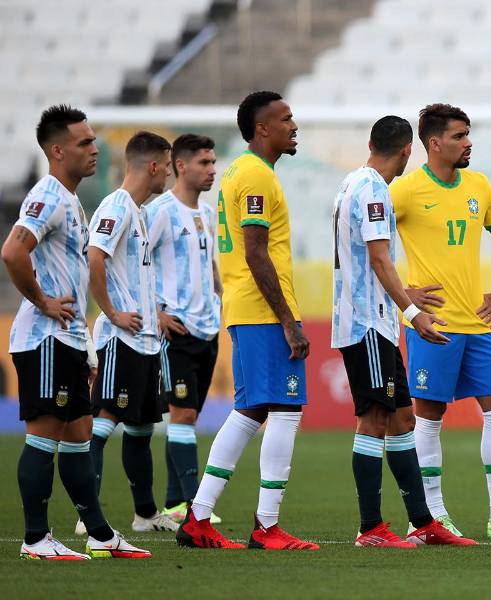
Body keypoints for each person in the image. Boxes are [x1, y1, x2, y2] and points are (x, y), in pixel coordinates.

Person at [390, 103, 491, 540]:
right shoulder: (406, 190)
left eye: (468, 134)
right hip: (432, 326)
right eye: (459, 136)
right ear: (434, 143)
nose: (468, 142)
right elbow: (368, 244)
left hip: (477, 324)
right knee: (430, 417)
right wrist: (405, 300)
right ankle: (431, 516)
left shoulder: (478, 185)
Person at [5, 105, 150, 559]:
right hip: (44, 338)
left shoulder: (70, 199)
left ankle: (102, 535)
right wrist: (43, 302)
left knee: (79, 436)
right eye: (84, 142)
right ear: (57, 149)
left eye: (93, 140)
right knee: (44, 437)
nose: (94, 149)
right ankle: (35, 539)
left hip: (67, 339)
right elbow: (13, 252)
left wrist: (84, 347)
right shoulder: (47, 194)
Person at [177, 91, 318, 550]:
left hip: (245, 307)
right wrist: (288, 321)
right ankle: (266, 526)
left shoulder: (239, 170)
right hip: (261, 311)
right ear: (263, 128)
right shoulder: (256, 175)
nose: (294, 125)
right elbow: (256, 253)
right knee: (283, 410)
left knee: (255, 408)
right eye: (286, 118)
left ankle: (199, 516)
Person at [332, 115, 475, 547]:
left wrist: (403, 296)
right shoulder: (376, 189)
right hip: (366, 321)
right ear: (409, 150)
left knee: (401, 418)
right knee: (374, 419)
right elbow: (378, 258)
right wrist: (413, 312)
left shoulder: (350, 183)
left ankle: (422, 522)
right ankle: (370, 528)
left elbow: (368, 259)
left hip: (372, 317)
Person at [86, 131, 178, 534]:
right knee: (103, 423)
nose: (170, 177)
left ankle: (144, 514)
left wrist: (152, 312)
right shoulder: (117, 206)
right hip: (120, 339)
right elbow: (95, 257)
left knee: (140, 428)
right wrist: (112, 313)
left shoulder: (139, 212)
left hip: (144, 340)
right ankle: (87, 515)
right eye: (169, 167)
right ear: (154, 166)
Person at [143, 134, 223, 525]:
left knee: (186, 417)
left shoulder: (207, 214)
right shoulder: (160, 210)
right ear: (181, 165)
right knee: (184, 414)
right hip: (175, 328)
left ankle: (175, 505)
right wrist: (155, 312)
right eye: (204, 163)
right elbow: (135, 262)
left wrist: (219, 296)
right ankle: (194, 508)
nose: (212, 170)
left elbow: (210, 267)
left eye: (213, 162)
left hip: (208, 328)